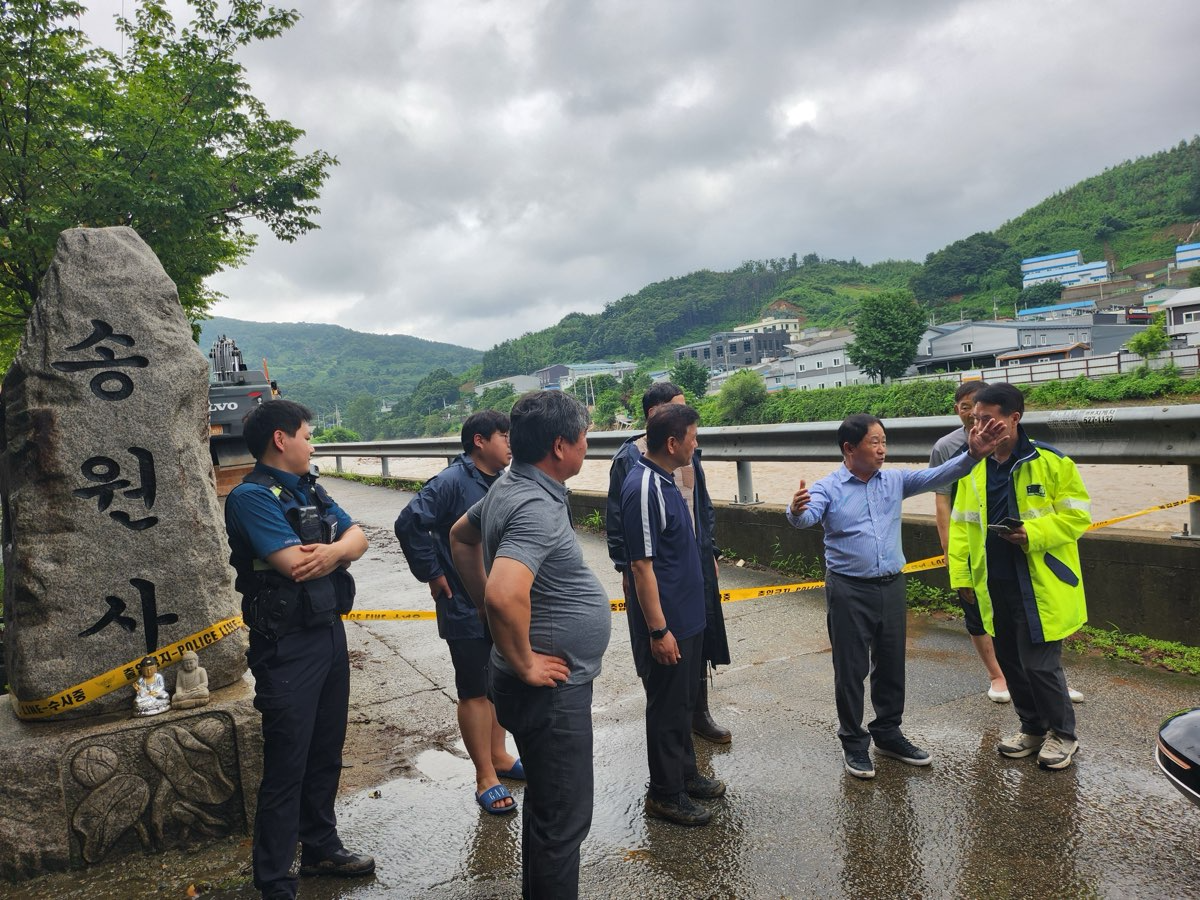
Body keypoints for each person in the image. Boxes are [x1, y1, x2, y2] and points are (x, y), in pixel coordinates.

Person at [449, 390, 611, 900]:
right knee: (563, 821)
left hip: (534, 683)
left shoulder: (508, 484)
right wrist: (524, 661)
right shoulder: (534, 503)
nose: (588, 445)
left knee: (547, 809)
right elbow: (505, 592)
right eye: (584, 437)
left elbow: (460, 536)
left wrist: (480, 605)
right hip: (551, 691)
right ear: (561, 446)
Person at [786, 412, 1004, 779]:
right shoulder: (828, 488)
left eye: (884, 441)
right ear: (849, 448)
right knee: (851, 669)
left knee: (890, 664)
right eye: (875, 442)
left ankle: (887, 733)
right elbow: (806, 518)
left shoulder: (895, 480)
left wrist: (974, 454)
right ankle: (854, 744)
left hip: (891, 584)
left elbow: (939, 475)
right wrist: (795, 510)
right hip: (848, 588)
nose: (882, 449)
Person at [225, 399, 373, 900]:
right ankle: (274, 881)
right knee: (288, 762)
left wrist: (333, 549)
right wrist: (337, 548)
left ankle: (320, 847)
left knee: (325, 751)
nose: (313, 444)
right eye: (308, 435)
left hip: (328, 632)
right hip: (286, 645)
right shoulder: (251, 498)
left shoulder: (309, 488)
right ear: (281, 440)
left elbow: (360, 538)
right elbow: (293, 564)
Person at [947, 383, 1089, 771]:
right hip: (993, 582)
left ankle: (1064, 734)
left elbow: (1078, 517)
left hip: (1039, 582)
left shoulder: (1053, 463)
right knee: (1010, 660)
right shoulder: (973, 467)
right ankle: (1032, 728)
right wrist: (961, 576)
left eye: (988, 419)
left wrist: (1033, 534)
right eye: (975, 420)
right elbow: (961, 526)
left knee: (1040, 664)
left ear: (1014, 418)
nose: (979, 427)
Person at [394, 410, 522, 815]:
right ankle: (485, 775)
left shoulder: (505, 480)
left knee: (500, 679)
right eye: (504, 436)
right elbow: (409, 522)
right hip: (464, 604)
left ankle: (500, 755)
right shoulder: (451, 481)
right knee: (474, 687)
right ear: (480, 441)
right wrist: (432, 573)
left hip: (500, 600)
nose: (510, 443)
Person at [606, 382, 732, 744]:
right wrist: (625, 569)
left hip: (693, 560)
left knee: (698, 635)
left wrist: (711, 551)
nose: (685, 416)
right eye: (677, 408)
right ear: (653, 416)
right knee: (663, 642)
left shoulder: (688, 451)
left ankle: (698, 713)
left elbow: (702, 505)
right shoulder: (631, 461)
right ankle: (670, 725)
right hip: (660, 568)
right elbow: (617, 521)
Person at [619, 402, 726, 827]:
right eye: (693, 438)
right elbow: (641, 566)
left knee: (683, 703)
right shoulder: (644, 486)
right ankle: (665, 793)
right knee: (666, 708)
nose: (696, 445)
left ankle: (685, 774)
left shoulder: (666, 481)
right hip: (671, 623)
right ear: (672, 442)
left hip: (690, 616)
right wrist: (658, 630)